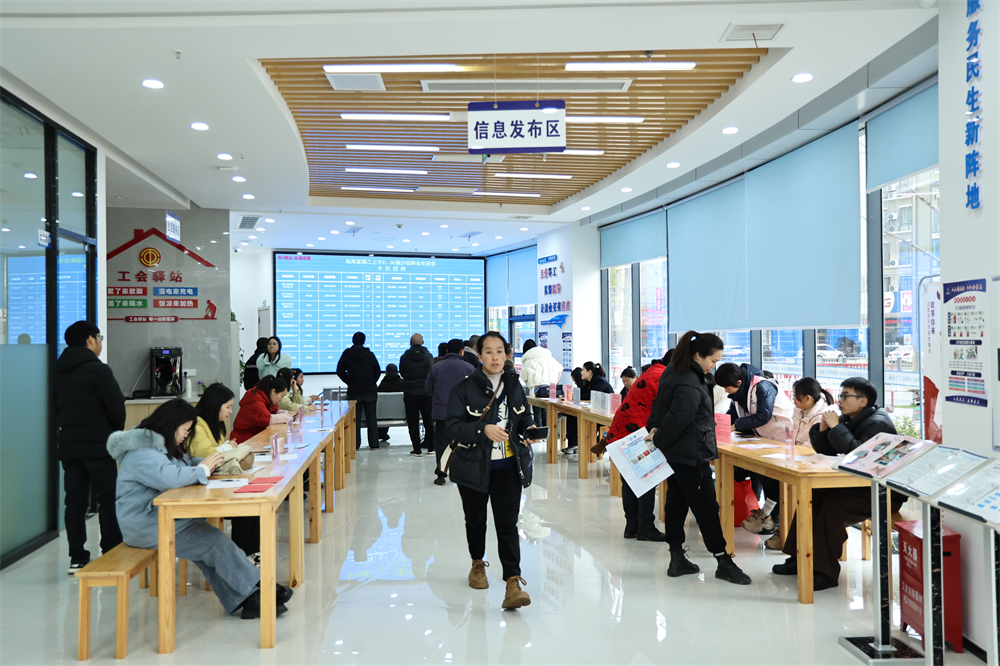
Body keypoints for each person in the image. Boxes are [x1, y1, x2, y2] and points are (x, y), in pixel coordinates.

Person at [108, 399, 292, 619]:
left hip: (161, 518)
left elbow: (184, 463)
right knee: (213, 543)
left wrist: (210, 462)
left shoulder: (159, 444)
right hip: (145, 525)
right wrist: (203, 468)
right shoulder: (142, 452)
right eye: (185, 430)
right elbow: (170, 477)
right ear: (171, 425)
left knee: (212, 544)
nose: (186, 435)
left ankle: (250, 597)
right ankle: (258, 588)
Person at [773, 377, 903, 591]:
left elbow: (857, 455)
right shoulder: (851, 418)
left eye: (845, 395)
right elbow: (826, 450)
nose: (840, 400)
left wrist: (836, 427)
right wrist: (824, 429)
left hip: (882, 492)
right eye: (840, 395)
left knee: (833, 506)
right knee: (813, 496)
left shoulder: (878, 424)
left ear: (863, 401)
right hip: (859, 485)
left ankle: (826, 572)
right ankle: (799, 557)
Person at [445, 331, 542, 609]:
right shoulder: (464, 388)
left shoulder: (514, 384)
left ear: (507, 354)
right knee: (476, 520)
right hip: (473, 466)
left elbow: (523, 416)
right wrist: (482, 430)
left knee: (507, 524)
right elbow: (451, 427)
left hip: (508, 467)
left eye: (500, 351)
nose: (495, 357)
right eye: (488, 351)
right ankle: (477, 564)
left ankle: (513, 581)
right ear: (479, 356)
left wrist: (529, 429)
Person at [646, 331, 751, 585]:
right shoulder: (690, 381)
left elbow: (659, 407)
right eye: (712, 360)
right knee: (706, 508)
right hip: (691, 453)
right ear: (697, 355)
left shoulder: (674, 371)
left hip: (678, 452)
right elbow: (680, 417)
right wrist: (659, 438)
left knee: (676, 503)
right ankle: (723, 561)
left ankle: (676, 558)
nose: (714, 366)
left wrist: (656, 430)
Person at [55, 321, 125, 573]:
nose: (100, 342)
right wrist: (114, 433)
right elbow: (116, 407)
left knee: (74, 502)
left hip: (70, 447)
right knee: (107, 499)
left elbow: (55, 408)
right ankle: (111, 551)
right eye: (99, 337)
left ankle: (77, 558)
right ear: (90, 340)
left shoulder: (57, 370)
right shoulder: (99, 370)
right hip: (98, 446)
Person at [714, 362, 795, 536]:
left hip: (782, 439)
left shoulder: (762, 386)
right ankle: (768, 520)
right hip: (765, 441)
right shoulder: (738, 394)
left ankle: (775, 522)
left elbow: (764, 415)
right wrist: (720, 426)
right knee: (766, 478)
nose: (725, 390)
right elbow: (733, 415)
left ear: (738, 382)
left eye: (726, 386)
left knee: (776, 481)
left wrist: (735, 426)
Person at [188, 384, 261, 564]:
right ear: (215, 405)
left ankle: (250, 553)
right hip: (199, 485)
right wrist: (227, 447)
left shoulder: (215, 424)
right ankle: (241, 558)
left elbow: (221, 450)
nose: (230, 411)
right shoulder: (197, 425)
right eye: (228, 407)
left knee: (252, 499)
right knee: (244, 505)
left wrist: (226, 447)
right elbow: (208, 453)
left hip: (216, 479)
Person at [603, 353, 669, 541]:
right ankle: (645, 527)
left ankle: (631, 525)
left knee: (630, 479)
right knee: (646, 478)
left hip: (623, 430)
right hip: (637, 430)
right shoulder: (663, 376)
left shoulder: (652, 372)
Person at [425, 339, 474, 485]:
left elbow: (428, 388)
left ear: (447, 351)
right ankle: (464, 474)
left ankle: (441, 474)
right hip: (462, 413)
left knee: (442, 444)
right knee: (464, 443)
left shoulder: (436, 367)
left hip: (442, 413)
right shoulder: (469, 368)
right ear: (461, 351)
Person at [337, 331, 382, 450]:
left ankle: (355, 444)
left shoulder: (346, 354)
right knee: (371, 418)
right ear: (364, 341)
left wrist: (349, 381)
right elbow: (377, 371)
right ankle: (374, 443)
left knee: (355, 419)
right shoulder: (370, 354)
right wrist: (371, 382)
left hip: (354, 391)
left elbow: (340, 371)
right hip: (370, 390)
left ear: (352, 340)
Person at [400, 333, 435, 457]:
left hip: (410, 393)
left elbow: (402, 372)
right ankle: (431, 447)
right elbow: (432, 372)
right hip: (426, 393)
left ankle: (417, 449)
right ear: (423, 342)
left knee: (412, 422)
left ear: (411, 343)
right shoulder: (429, 356)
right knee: (428, 421)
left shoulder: (405, 356)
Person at [231, 375, 288, 443]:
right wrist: (288, 416)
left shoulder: (264, 398)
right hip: (243, 439)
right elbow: (268, 419)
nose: (281, 400)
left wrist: (287, 413)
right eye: (282, 396)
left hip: (253, 437)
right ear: (273, 391)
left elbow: (275, 411)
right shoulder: (256, 401)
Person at [561, 367, 591, 456]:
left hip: (589, 411)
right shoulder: (584, 384)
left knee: (571, 418)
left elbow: (587, 396)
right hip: (584, 408)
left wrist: (575, 396)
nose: (575, 383)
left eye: (575, 381)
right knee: (571, 416)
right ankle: (574, 444)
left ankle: (573, 445)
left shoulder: (588, 383)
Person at [376, 363, 405, 442]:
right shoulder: (403, 383)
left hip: (385, 414)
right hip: (401, 413)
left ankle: (381, 433)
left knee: (384, 409)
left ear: (386, 372)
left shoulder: (383, 384)